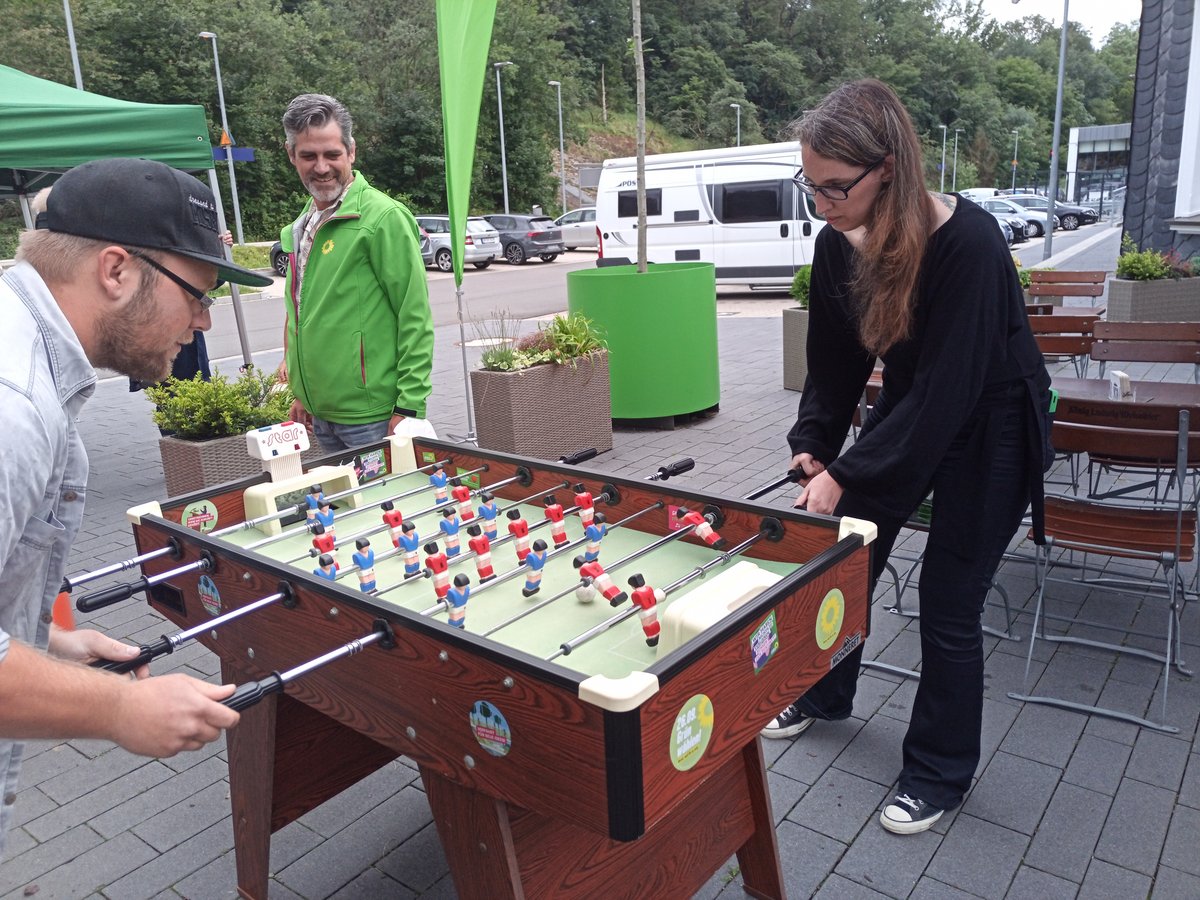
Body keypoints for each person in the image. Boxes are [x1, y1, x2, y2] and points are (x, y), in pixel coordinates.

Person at [762, 80, 1052, 836]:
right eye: (811, 184)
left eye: (835, 187)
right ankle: (826, 692)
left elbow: (948, 396)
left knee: (947, 605)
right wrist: (813, 447)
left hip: (992, 424)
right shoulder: (836, 245)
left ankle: (938, 773)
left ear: (887, 169)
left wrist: (844, 476)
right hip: (918, 404)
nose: (821, 203)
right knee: (849, 558)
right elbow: (832, 367)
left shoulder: (973, 244)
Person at [0, 157, 273, 854]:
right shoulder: (12, 406)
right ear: (116, 271)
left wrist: (47, 643)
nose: (204, 321)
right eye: (197, 293)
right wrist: (118, 708)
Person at [276, 93, 434, 454]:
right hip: (320, 415)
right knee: (342, 510)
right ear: (291, 156)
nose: (321, 167)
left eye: (332, 154)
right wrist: (302, 393)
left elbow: (414, 315)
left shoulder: (382, 219)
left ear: (351, 152)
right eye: (308, 156)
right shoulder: (303, 226)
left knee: (386, 508)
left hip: (373, 418)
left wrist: (408, 406)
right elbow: (300, 314)